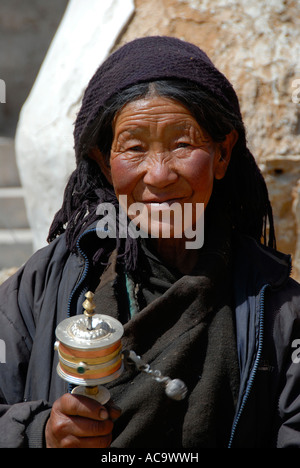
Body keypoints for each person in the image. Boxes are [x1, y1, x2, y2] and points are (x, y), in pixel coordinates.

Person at [0, 35, 299, 449]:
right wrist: (40, 435)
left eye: (182, 144)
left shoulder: (277, 307)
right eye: (135, 148)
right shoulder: (41, 286)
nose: (159, 175)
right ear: (105, 162)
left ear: (222, 153)